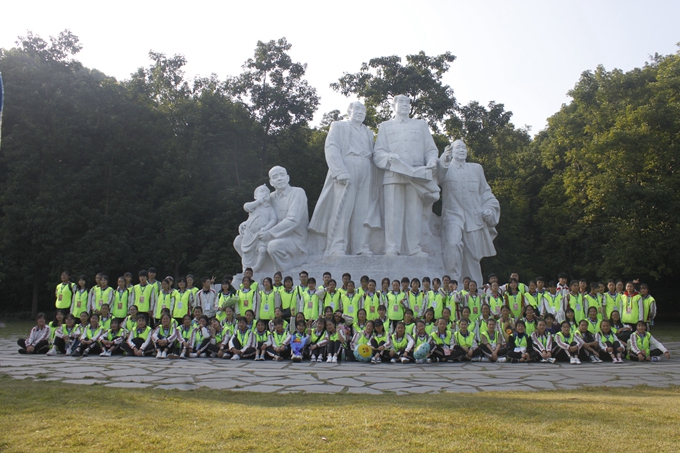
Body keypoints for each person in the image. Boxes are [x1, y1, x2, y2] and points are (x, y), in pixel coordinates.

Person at [309, 101, 380, 256]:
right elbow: (331, 147)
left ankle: (360, 247)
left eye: (363, 110)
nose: (361, 112)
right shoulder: (339, 126)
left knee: (363, 210)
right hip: (347, 164)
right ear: (349, 111)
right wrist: (339, 170)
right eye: (357, 109)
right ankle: (337, 246)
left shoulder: (368, 132)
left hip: (367, 167)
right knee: (343, 208)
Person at [373, 94, 439, 257]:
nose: (405, 105)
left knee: (414, 213)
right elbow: (378, 152)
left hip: (416, 175)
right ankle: (392, 247)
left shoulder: (420, 125)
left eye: (408, 102)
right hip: (393, 175)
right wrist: (388, 158)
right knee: (392, 214)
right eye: (401, 102)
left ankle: (414, 248)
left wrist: (432, 161)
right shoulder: (386, 126)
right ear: (394, 105)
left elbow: (431, 149)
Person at [438, 139, 500, 283]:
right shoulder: (446, 167)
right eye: (458, 147)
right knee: (453, 244)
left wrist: (489, 209)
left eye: (464, 147)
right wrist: (443, 160)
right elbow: (436, 177)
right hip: (452, 215)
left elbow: (485, 193)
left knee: (473, 254)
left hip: (474, 217)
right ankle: (453, 283)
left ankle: (475, 287)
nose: (462, 150)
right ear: (451, 151)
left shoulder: (476, 169)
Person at [237, 166, 309, 271]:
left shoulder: (297, 193)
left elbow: (293, 220)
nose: (279, 178)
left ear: (287, 178)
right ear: (271, 182)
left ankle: (286, 276)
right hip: (268, 236)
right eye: (275, 177)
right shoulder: (269, 197)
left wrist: (270, 233)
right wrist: (246, 224)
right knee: (238, 241)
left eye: (282, 175)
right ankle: (252, 272)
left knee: (274, 246)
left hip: (294, 239)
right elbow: (259, 214)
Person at [236, 184, 279, 271]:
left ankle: (257, 267)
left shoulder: (269, 208)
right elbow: (247, 207)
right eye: (262, 191)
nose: (265, 194)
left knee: (262, 250)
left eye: (267, 192)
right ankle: (246, 269)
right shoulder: (253, 206)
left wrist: (266, 228)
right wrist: (258, 201)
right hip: (249, 234)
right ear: (255, 196)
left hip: (260, 235)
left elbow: (273, 219)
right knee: (246, 252)